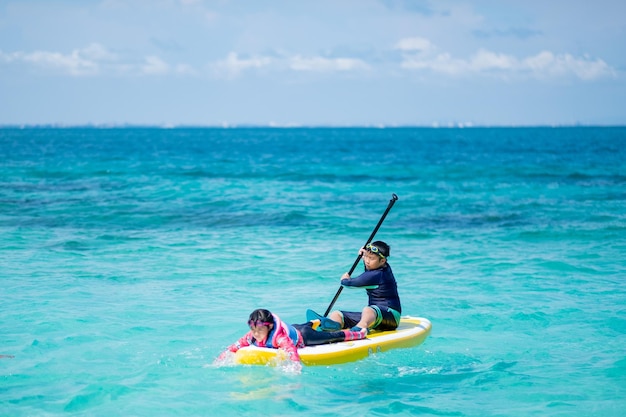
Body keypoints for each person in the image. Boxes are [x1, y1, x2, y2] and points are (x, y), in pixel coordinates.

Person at [217, 308, 367, 366]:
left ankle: (357, 333)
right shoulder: (253, 335)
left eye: (259, 330)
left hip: (305, 336)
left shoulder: (279, 338)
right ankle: (316, 322)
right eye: (253, 330)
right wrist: (220, 359)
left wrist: (294, 368)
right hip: (295, 328)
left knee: (332, 337)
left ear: (269, 327)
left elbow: (291, 351)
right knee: (305, 325)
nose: (256, 334)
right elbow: (234, 347)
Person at [324, 241, 401, 333]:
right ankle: (333, 327)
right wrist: (363, 255)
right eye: (366, 257)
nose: (367, 261)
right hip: (375, 317)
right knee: (337, 314)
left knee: (368, 310)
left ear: (382, 261)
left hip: (391, 317)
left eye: (371, 258)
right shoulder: (380, 267)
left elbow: (352, 283)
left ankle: (361, 328)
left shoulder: (379, 274)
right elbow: (369, 270)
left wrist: (344, 280)